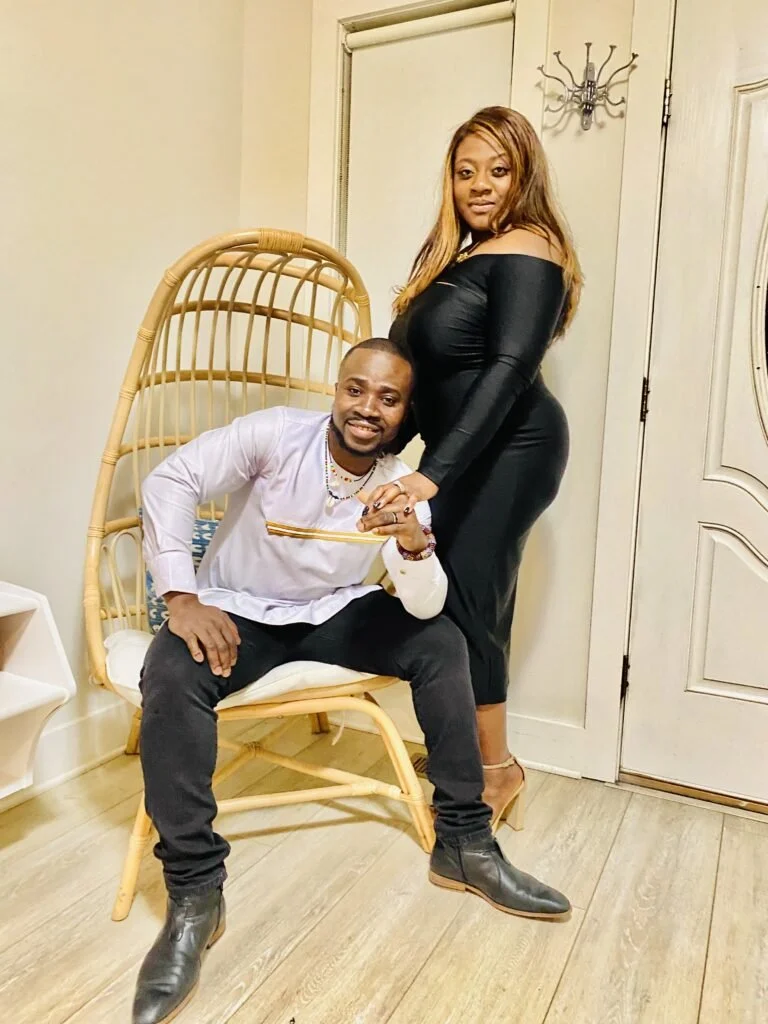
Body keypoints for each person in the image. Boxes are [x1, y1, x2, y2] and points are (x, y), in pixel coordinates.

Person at [132, 338, 569, 1024]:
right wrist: (182, 597)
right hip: (240, 610)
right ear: (336, 391)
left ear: (404, 413)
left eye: (388, 399)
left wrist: (413, 545)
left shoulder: (400, 485)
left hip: (330, 613)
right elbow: (171, 480)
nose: (368, 408)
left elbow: (425, 603)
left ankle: (464, 843)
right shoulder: (276, 435)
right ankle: (194, 893)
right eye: (355, 389)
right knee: (170, 670)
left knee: (440, 641)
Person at [365, 106, 583, 832]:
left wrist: (430, 475)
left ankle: (496, 770)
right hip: (466, 453)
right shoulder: (460, 257)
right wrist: (371, 455)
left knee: (470, 601)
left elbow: (511, 368)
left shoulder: (532, 245)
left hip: (515, 448)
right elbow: (431, 379)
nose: (480, 185)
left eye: (498, 170)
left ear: (525, 175)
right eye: (465, 172)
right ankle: (469, 752)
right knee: (455, 598)